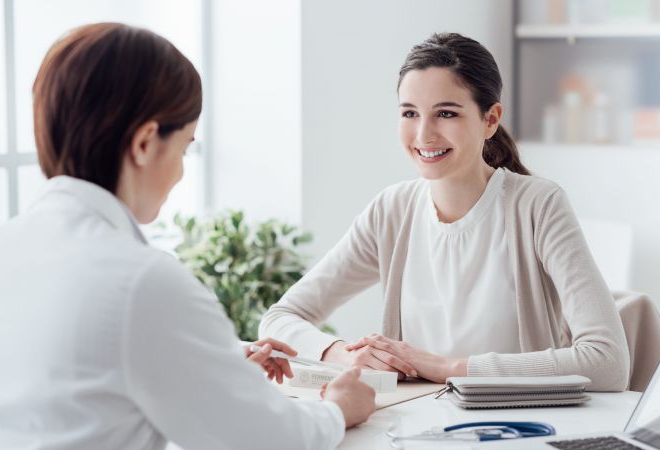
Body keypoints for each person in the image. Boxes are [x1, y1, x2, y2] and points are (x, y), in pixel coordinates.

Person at [0, 23, 375, 450]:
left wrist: (207, 362)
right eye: (184, 146)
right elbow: (271, 440)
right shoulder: (141, 281)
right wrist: (337, 407)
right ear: (146, 143)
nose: (182, 171)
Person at [259, 32, 630, 391]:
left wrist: (448, 368)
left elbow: (607, 361)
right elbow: (279, 319)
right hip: (416, 424)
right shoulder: (393, 210)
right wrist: (340, 353)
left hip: (518, 428)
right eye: (409, 113)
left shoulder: (537, 205)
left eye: (446, 113)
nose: (423, 135)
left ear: (490, 119)